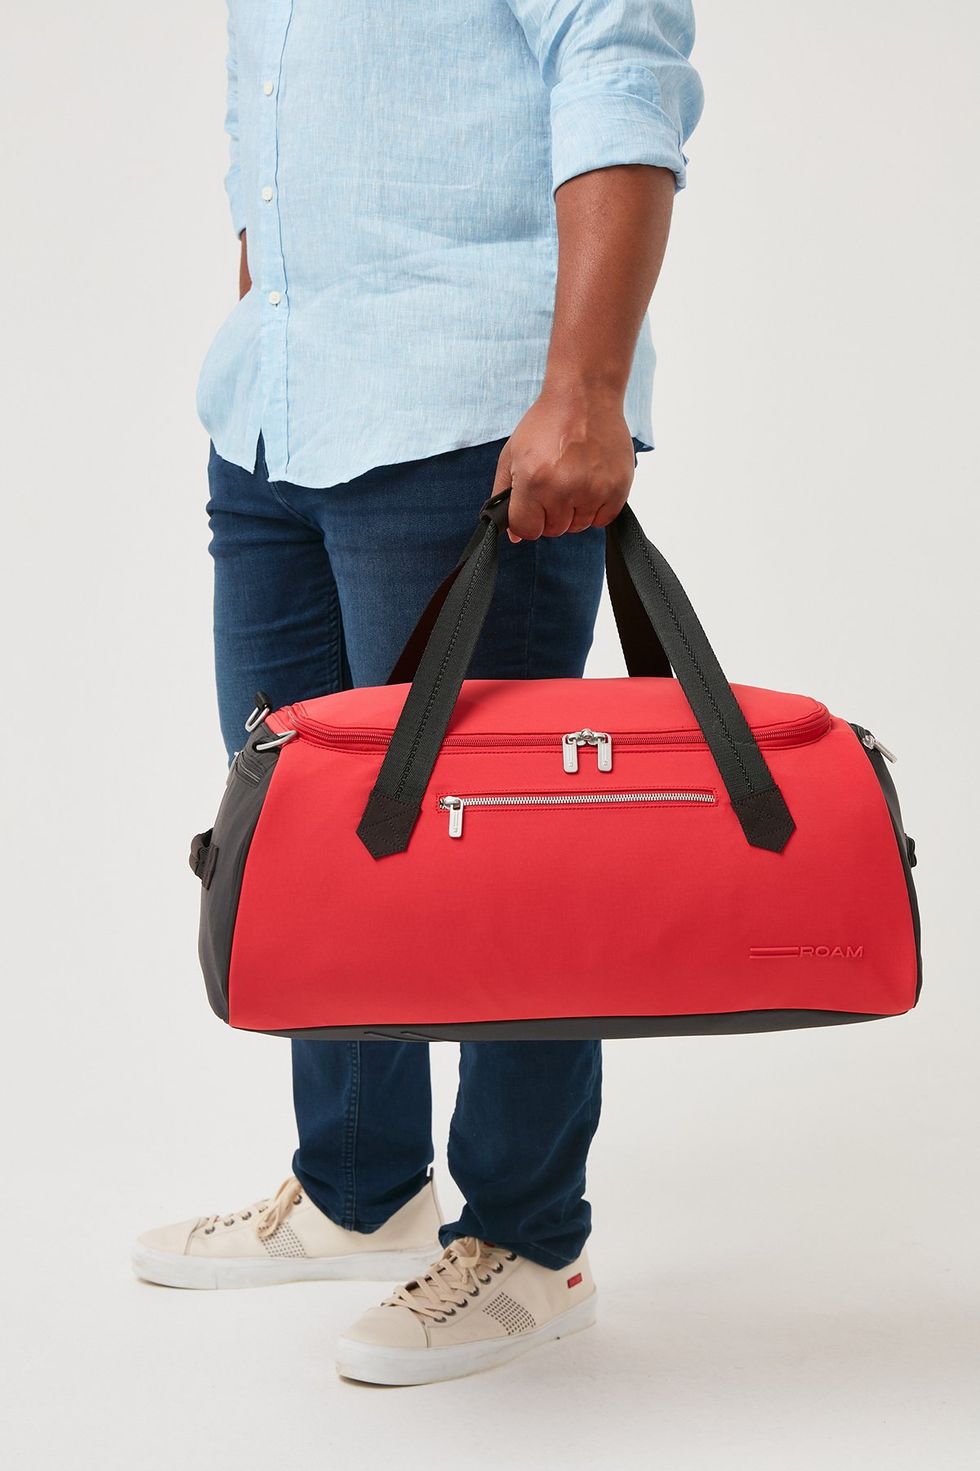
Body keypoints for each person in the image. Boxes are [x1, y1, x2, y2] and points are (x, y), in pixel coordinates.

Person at [134, 1, 702, 1385]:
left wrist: (587, 387)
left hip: (465, 422)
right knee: (302, 839)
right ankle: (359, 1185)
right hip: (273, 417)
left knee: (498, 854)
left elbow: (619, 69)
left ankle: (529, 1239)